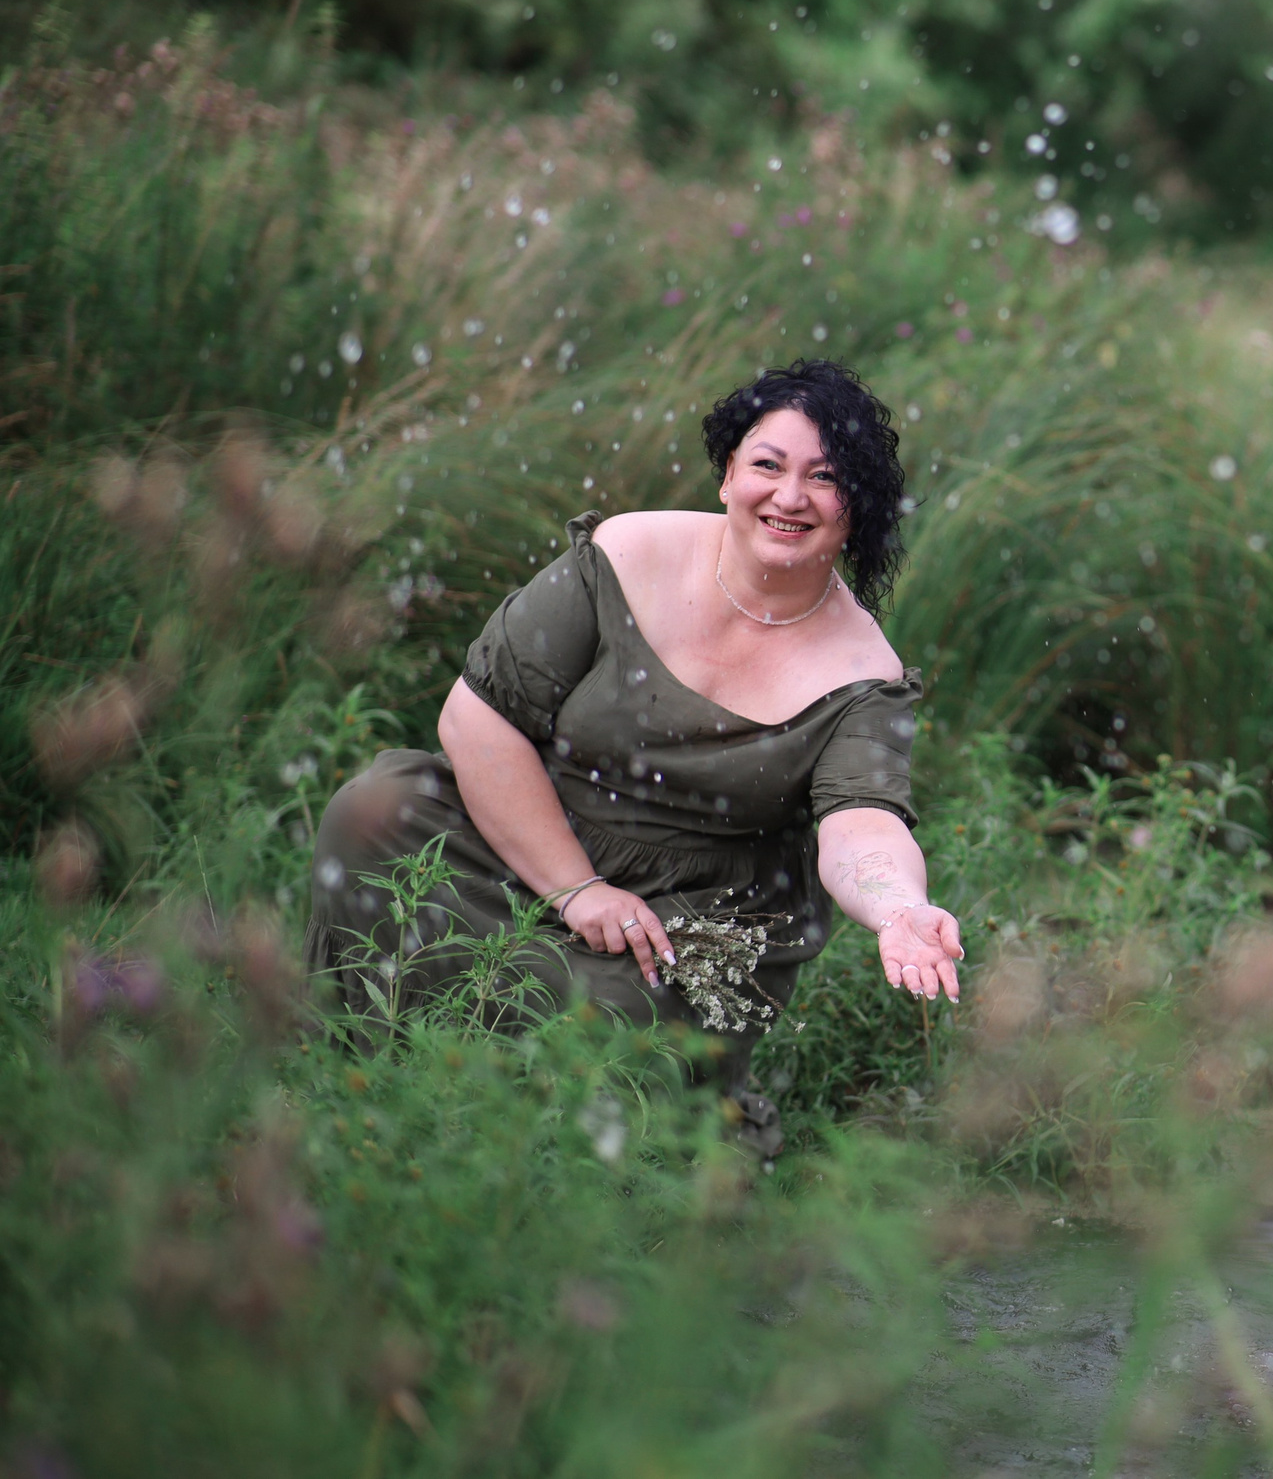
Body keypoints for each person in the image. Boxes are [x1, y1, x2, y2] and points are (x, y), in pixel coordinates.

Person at [306, 358, 963, 1129]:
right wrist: (576, 888)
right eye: (768, 465)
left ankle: (570, 1139)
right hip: (529, 840)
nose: (789, 497)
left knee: (604, 1022)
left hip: (694, 920)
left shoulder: (861, 673)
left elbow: (862, 824)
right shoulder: (627, 554)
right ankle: (365, 1081)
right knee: (370, 813)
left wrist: (898, 906)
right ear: (728, 475)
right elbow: (477, 719)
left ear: (857, 507)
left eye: (824, 478)